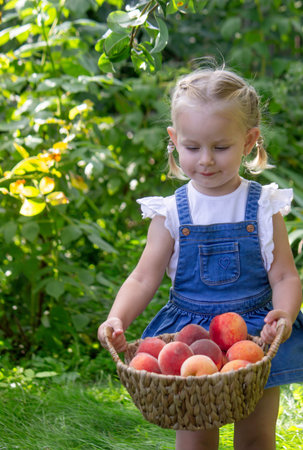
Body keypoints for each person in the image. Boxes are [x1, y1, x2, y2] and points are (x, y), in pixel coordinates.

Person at [98, 67, 303, 450]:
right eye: (193, 147)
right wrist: (117, 317)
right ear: (174, 141)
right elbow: (144, 277)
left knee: (257, 438)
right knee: (194, 440)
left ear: (249, 141)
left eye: (221, 147)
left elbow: (285, 277)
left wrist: (285, 314)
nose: (206, 160)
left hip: (253, 337)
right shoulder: (171, 212)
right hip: (190, 343)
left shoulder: (263, 207)